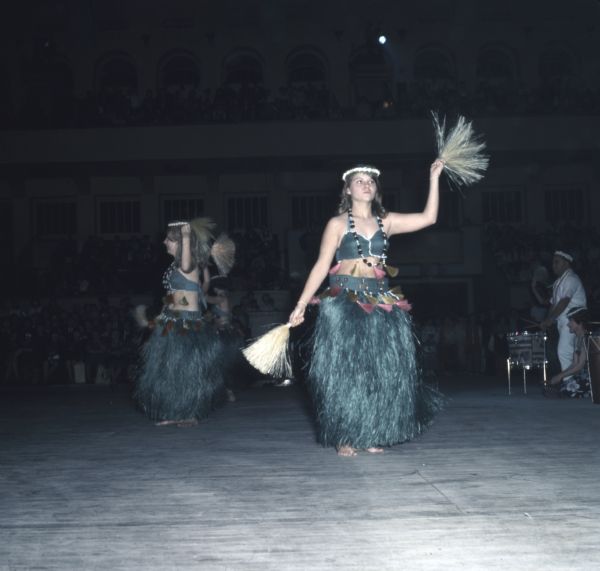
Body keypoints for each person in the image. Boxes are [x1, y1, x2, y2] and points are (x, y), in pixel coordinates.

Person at [288, 162, 445, 456]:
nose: (366, 185)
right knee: (346, 373)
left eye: (370, 181)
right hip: (344, 303)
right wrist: (300, 304)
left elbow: (429, 217)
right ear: (348, 189)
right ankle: (345, 434)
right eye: (359, 181)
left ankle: (370, 430)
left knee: (377, 372)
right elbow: (322, 265)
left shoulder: (386, 222)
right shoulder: (337, 224)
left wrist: (434, 178)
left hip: (380, 303)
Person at [135, 221, 226, 426]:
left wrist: (186, 235)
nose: (164, 242)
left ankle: (190, 413)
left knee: (186, 371)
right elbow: (173, 295)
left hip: (187, 323)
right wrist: (162, 313)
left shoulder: (189, 262)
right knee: (169, 371)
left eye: (168, 239)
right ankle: (174, 412)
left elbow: (186, 267)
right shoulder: (174, 266)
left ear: (178, 243)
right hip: (172, 321)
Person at [536, 250, 587, 376]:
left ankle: (569, 382)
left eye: (556, 262)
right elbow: (553, 304)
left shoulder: (571, 279)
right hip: (564, 321)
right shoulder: (558, 282)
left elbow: (564, 301)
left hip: (574, 321)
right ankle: (573, 381)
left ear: (566, 263)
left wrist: (550, 320)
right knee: (571, 352)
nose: (553, 265)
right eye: (553, 262)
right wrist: (547, 321)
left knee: (564, 351)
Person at [547, 307, 590, 398]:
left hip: (592, 376)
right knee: (562, 386)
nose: (568, 324)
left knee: (567, 388)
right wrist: (559, 376)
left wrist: (559, 376)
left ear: (580, 323)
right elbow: (574, 364)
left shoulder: (587, 339)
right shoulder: (577, 339)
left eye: (571, 321)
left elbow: (580, 366)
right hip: (583, 375)